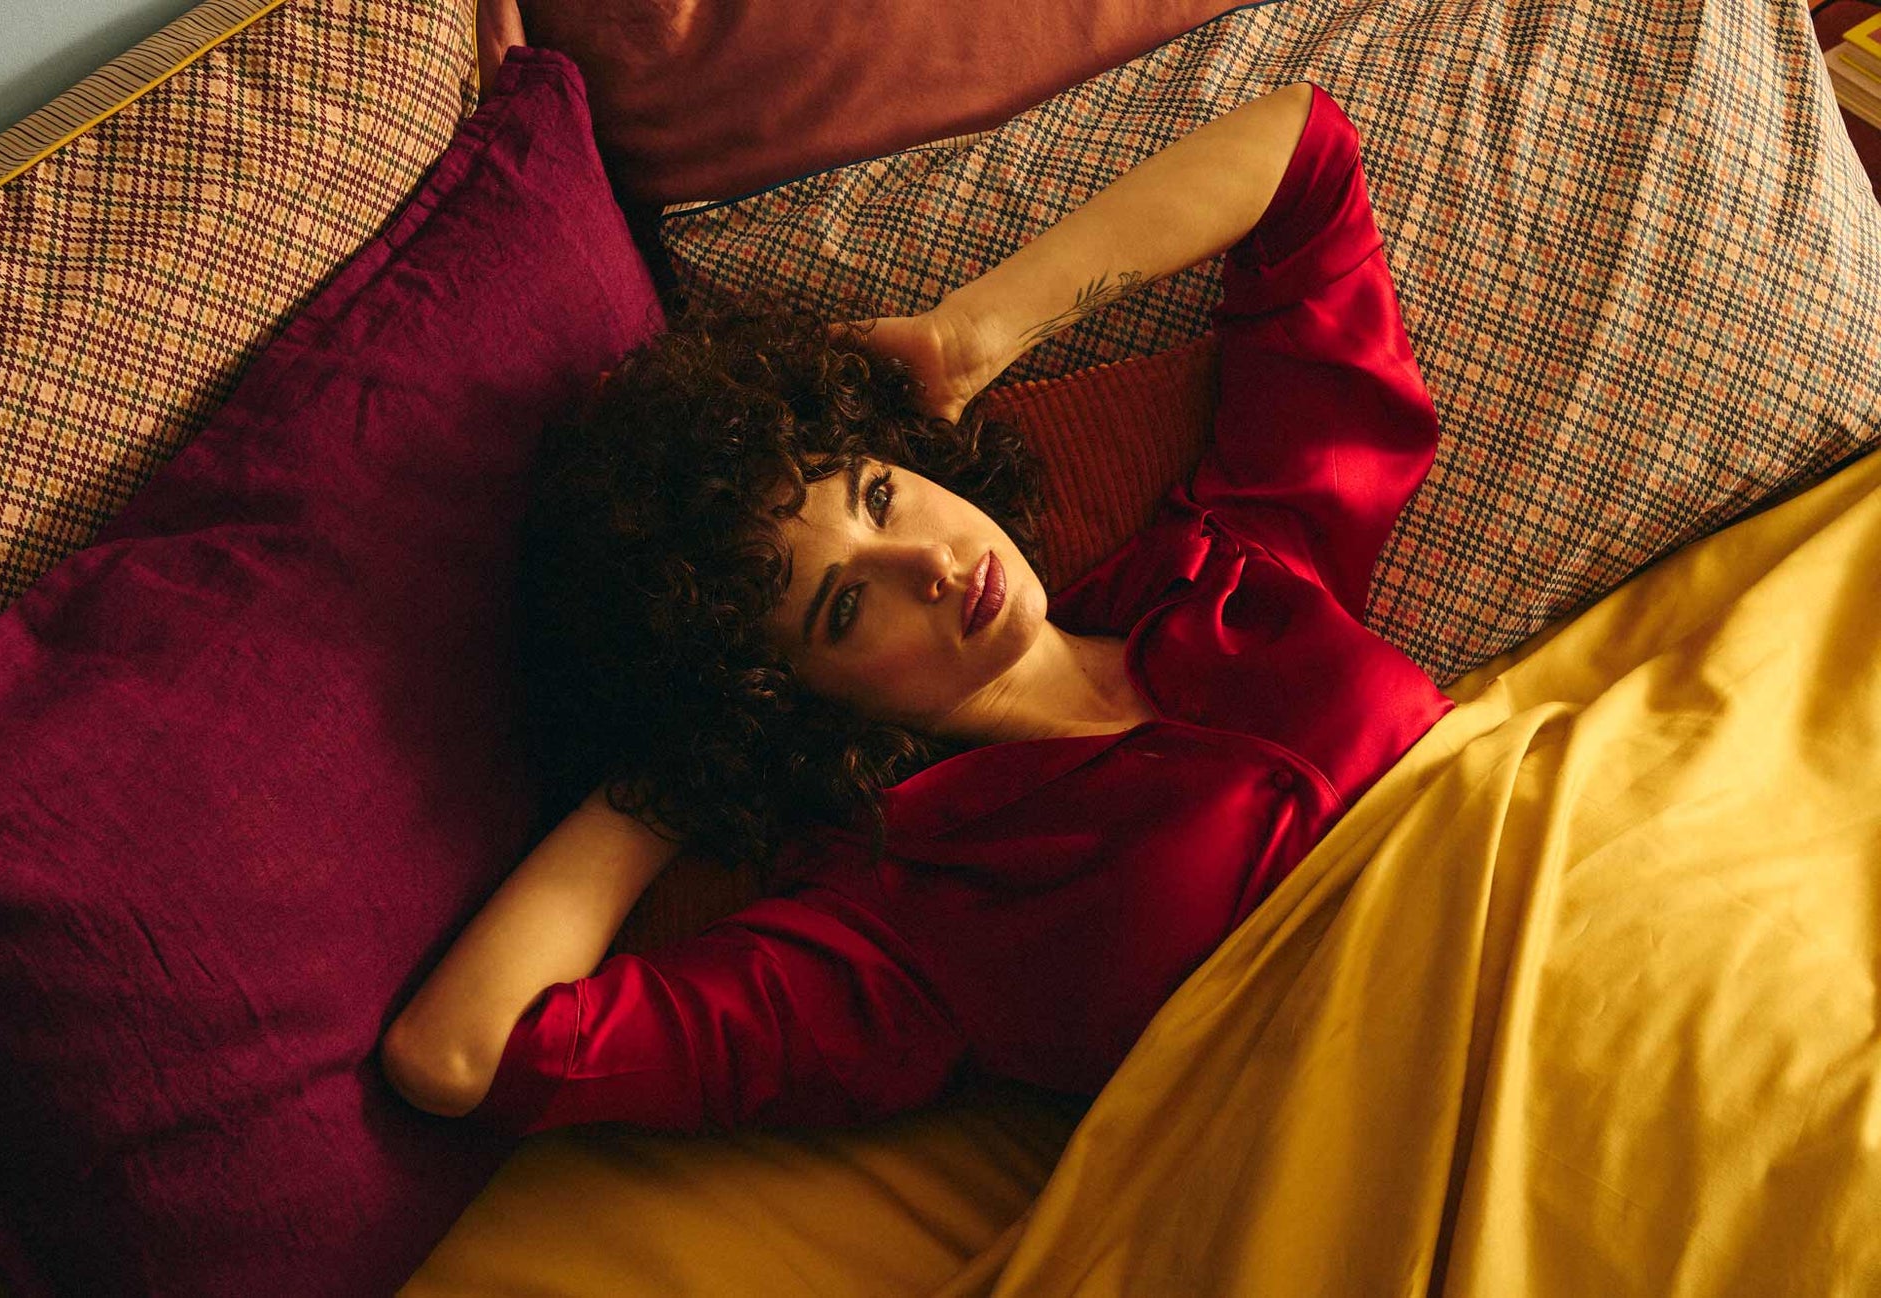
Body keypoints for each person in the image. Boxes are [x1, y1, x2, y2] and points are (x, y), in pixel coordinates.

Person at [380, 17, 1454, 1133]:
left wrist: (969, 337)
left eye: (880, 498)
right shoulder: (904, 917)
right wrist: (689, 765)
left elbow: (1302, 153)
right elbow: (459, 1051)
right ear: (794, 699)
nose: (929, 565)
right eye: (846, 606)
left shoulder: (1228, 563)